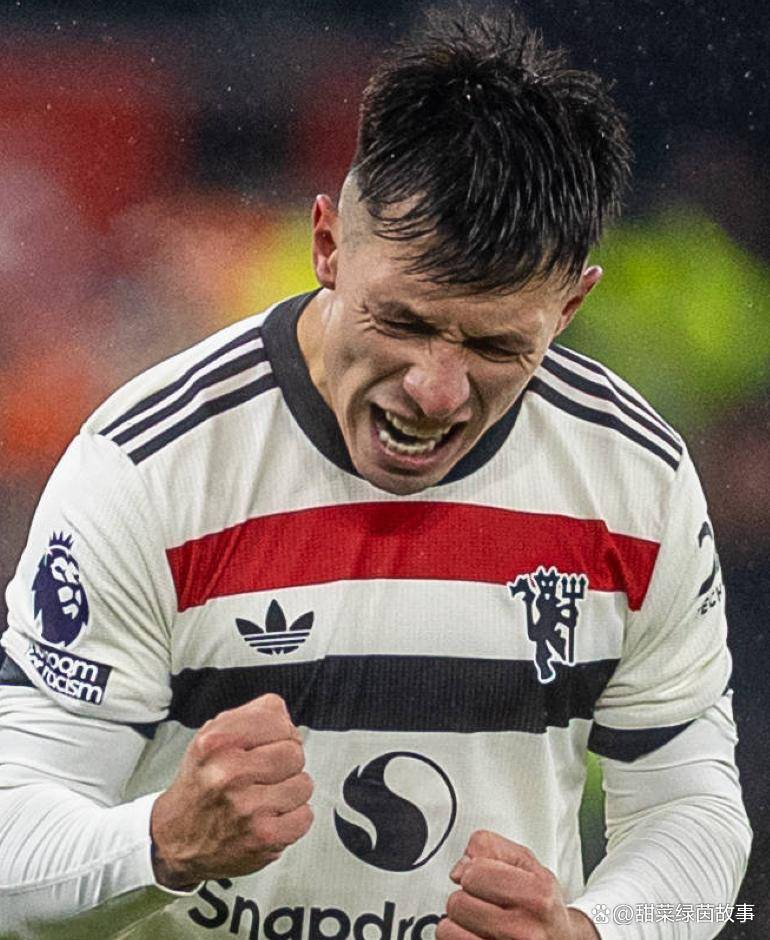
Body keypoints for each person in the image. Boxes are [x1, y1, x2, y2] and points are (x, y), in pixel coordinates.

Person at [0, 8, 751, 940]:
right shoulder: (151, 468)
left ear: (569, 306)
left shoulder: (637, 480)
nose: (435, 391)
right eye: (401, 321)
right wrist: (161, 843)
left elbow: (693, 813)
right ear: (327, 245)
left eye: (495, 346)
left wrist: (597, 932)